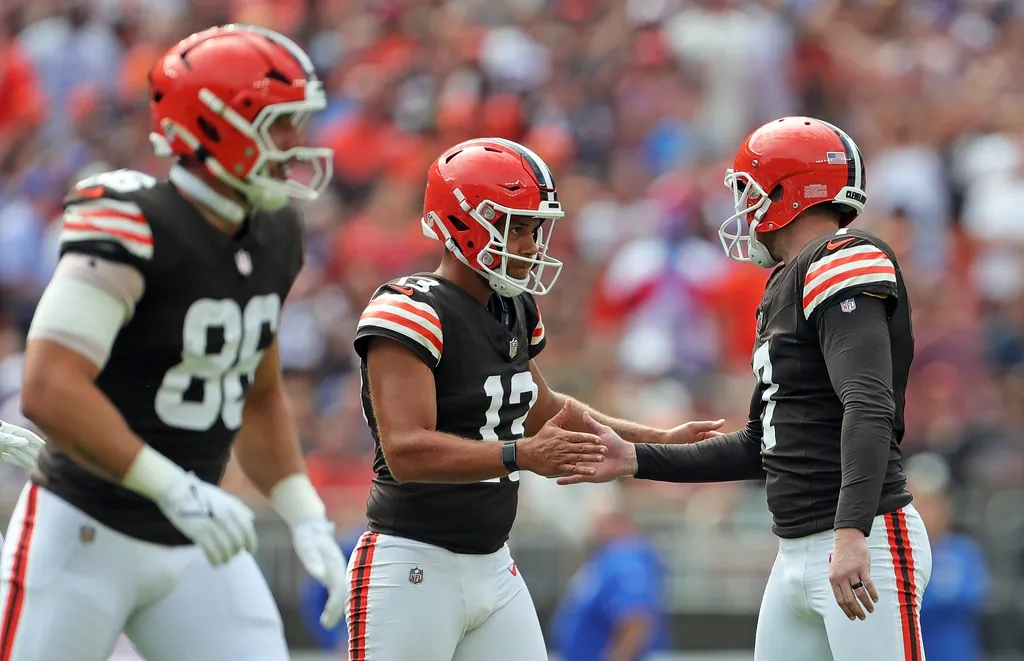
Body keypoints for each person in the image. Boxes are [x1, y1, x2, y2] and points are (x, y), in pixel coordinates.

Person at [4, 24, 348, 661]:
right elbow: (48, 389)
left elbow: (258, 394)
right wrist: (172, 485)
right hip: (83, 526)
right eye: (278, 124)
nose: (298, 142)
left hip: (196, 540)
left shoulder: (273, 231)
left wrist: (305, 516)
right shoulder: (132, 221)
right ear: (213, 126)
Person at [559, 117, 932, 661]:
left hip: (863, 535)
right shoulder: (784, 283)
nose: (744, 209)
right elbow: (763, 445)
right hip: (798, 547)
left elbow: (868, 403)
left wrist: (852, 530)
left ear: (790, 190)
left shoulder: (841, 258)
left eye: (750, 191)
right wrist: (634, 459)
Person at [347, 137, 724, 661]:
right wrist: (520, 455)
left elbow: (543, 407)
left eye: (535, 229)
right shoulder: (410, 310)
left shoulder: (512, 308)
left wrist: (657, 437)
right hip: (413, 562)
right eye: (516, 226)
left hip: (493, 565)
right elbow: (405, 451)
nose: (529, 244)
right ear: (463, 222)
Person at [552, 495, 669, 661]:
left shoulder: (626, 558)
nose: (594, 529)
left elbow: (635, 617)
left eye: (602, 522)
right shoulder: (606, 557)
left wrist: (619, 656)